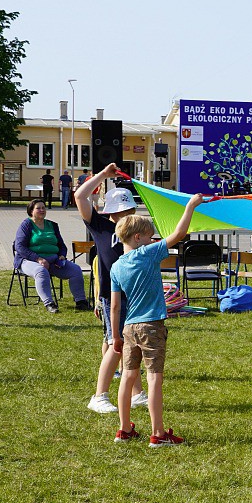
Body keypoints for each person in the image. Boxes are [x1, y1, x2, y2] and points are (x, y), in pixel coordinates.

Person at [109, 193, 204, 446]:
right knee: (153, 379)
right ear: (138, 238)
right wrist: (191, 206)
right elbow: (179, 234)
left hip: (129, 327)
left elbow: (116, 305)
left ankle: (124, 429)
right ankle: (158, 434)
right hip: (152, 326)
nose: (154, 240)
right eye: (150, 236)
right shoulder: (147, 254)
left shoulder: (116, 266)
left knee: (128, 377)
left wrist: (115, 336)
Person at [75, 163, 145, 413]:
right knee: (116, 344)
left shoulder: (138, 231)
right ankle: (99, 396)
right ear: (112, 213)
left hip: (134, 294)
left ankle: (136, 394)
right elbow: (80, 196)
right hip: (112, 296)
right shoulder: (100, 225)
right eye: (122, 210)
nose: (126, 214)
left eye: (130, 209)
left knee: (132, 344)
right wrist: (103, 175)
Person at [12, 199, 90, 313]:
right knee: (40, 271)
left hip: (54, 261)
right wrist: (38, 259)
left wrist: (62, 256)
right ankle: (49, 303)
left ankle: (81, 301)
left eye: (43, 208)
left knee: (75, 270)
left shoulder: (52, 225)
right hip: (29, 261)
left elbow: (62, 245)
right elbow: (20, 247)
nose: (42, 210)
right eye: (38, 208)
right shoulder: (26, 225)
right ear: (31, 211)